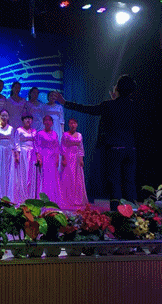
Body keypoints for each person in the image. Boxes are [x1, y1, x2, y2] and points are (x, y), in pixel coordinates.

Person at [54, 74, 137, 208]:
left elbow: (88, 109)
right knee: (129, 181)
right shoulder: (134, 106)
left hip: (114, 149)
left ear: (117, 88)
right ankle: (133, 212)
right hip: (130, 148)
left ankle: (116, 212)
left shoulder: (109, 105)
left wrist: (65, 103)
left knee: (115, 182)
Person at [60, 118, 88, 208]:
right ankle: (67, 198)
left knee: (77, 177)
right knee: (68, 177)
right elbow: (63, 147)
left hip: (77, 158)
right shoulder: (65, 134)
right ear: (68, 124)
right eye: (71, 123)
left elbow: (81, 147)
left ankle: (77, 199)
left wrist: (81, 159)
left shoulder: (79, 135)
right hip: (68, 157)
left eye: (74, 123)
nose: (73, 125)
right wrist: (64, 159)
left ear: (77, 124)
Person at [35, 115, 61, 204]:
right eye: (45, 120)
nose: (47, 122)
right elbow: (37, 146)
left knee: (52, 177)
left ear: (52, 123)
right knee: (44, 176)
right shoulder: (40, 133)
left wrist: (57, 158)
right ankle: (43, 197)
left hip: (53, 157)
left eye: (49, 120)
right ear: (43, 122)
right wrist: (39, 157)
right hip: (44, 156)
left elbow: (57, 146)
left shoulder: (55, 134)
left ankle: (52, 197)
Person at [14, 114, 38, 202]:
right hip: (23, 153)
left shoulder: (34, 131)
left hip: (32, 154)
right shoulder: (19, 130)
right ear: (23, 120)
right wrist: (17, 154)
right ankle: (22, 197)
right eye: (26, 119)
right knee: (23, 173)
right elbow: (16, 143)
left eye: (30, 119)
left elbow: (36, 143)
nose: (28, 120)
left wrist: (37, 154)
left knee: (31, 174)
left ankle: (31, 196)